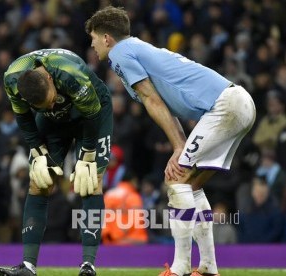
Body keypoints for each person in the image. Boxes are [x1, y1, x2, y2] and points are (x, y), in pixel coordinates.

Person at [85, 6, 256, 276]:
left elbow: (152, 100)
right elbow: (162, 104)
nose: (92, 45)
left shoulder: (120, 53)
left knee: (176, 181)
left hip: (224, 106)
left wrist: (179, 147)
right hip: (238, 103)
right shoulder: (137, 49)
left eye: (94, 38)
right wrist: (180, 145)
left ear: (107, 38)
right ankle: (209, 267)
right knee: (192, 185)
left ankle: (179, 269)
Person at [0, 49, 113, 276]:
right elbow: (23, 116)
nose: (50, 106)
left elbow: (92, 114)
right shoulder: (12, 79)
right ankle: (28, 266)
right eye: (42, 106)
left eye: (49, 101)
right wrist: (36, 148)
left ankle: (88, 265)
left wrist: (88, 152)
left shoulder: (70, 73)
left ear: (50, 79)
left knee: (90, 182)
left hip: (92, 112)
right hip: (54, 124)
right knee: (38, 182)